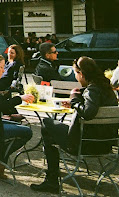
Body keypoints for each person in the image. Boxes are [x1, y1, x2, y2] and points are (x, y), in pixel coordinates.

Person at [31, 56, 118, 193]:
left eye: (76, 74)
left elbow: (88, 113)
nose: (76, 78)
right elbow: (93, 104)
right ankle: (52, 178)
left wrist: (75, 100)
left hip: (83, 145)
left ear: (81, 74)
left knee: (47, 124)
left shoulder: (92, 89)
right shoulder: (106, 89)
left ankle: (52, 180)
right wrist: (76, 102)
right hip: (105, 145)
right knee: (51, 130)